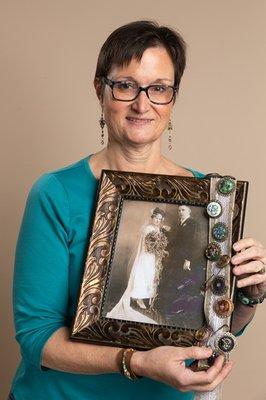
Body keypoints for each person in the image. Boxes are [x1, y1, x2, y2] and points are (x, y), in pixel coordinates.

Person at [10, 20, 266, 400]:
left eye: (158, 88)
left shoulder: (206, 198)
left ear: (173, 98)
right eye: (126, 85)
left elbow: (215, 327)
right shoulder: (56, 193)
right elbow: (36, 338)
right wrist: (136, 362)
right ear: (100, 89)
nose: (142, 104)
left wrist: (248, 295)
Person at [106, 207, 167, 323]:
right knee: (143, 274)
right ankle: (137, 297)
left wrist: (160, 249)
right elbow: (148, 245)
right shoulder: (147, 229)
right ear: (152, 218)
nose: (158, 221)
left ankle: (144, 297)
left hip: (153, 257)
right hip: (146, 255)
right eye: (156, 218)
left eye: (160, 219)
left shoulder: (158, 229)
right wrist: (156, 246)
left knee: (150, 275)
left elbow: (158, 244)